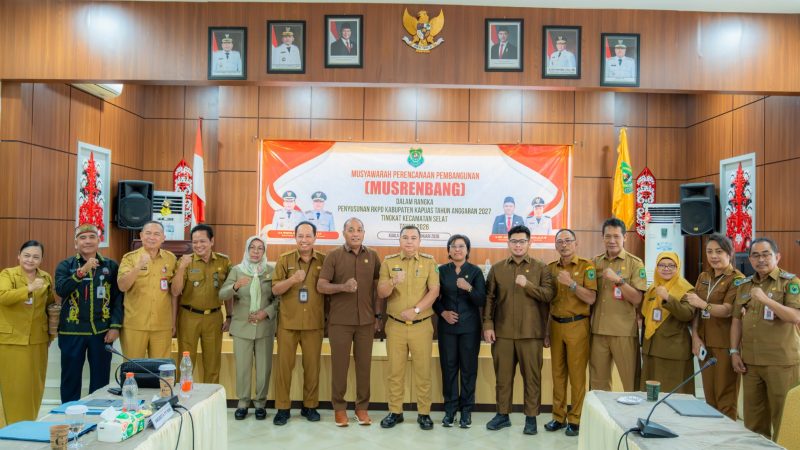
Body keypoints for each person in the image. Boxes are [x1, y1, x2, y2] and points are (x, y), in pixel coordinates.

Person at [483, 225, 554, 435]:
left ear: (529, 243)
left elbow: (548, 296)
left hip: (531, 333)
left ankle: (530, 418)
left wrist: (528, 285)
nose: (518, 245)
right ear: (508, 243)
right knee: (503, 377)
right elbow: (489, 299)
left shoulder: (542, 268)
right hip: (502, 332)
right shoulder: (497, 269)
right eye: (514, 241)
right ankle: (502, 415)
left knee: (532, 377)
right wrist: (487, 324)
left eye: (522, 241)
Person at [731, 238, 800, 440]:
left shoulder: (790, 283)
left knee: (784, 417)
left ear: (777, 256)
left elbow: (795, 316)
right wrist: (734, 351)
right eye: (755, 255)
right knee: (753, 420)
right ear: (750, 259)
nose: (761, 259)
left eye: (766, 254)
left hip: (782, 362)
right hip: (751, 363)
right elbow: (736, 320)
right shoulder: (744, 285)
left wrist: (766, 299)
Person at [317, 217, 382, 427]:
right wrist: (342, 287)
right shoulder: (333, 256)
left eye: (359, 230)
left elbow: (378, 290)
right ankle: (339, 408)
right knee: (340, 367)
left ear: (364, 233)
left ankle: (362, 408)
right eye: (351, 230)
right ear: (343, 233)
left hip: (366, 322)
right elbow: (321, 286)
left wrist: (378, 316)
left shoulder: (372, 256)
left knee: (364, 367)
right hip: (340, 322)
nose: (355, 233)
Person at [377, 225, 440, 430]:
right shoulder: (389, 262)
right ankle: (395, 412)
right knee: (395, 372)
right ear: (400, 241)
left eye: (414, 238)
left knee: (423, 372)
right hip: (395, 326)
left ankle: (424, 413)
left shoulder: (429, 262)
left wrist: (416, 309)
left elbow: (434, 291)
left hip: (421, 326)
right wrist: (394, 280)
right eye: (405, 237)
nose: (409, 241)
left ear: (419, 241)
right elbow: (381, 292)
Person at [54, 224, 123, 403]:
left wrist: (115, 326)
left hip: (101, 332)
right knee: (70, 380)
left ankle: (98, 417)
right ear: (76, 242)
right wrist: (82, 271)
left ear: (98, 241)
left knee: (101, 381)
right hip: (71, 332)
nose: (87, 241)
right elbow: (61, 290)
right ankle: (68, 420)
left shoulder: (110, 266)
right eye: (82, 237)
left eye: (92, 237)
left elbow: (118, 299)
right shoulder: (65, 265)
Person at [272, 221, 326, 425]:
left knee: (312, 368)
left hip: (314, 322)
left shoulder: (324, 260)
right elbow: (275, 290)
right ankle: (283, 408)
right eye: (300, 236)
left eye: (308, 236)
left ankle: (310, 406)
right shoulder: (285, 260)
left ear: (315, 237)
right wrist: (293, 280)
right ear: (295, 237)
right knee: (284, 367)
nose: (304, 240)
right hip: (288, 322)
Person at [543, 229, 596, 437]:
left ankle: (575, 419)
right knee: (557, 374)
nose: (563, 245)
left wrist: (572, 284)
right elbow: (550, 303)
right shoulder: (550, 269)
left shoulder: (586, 266)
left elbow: (591, 298)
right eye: (559, 242)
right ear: (556, 246)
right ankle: (558, 416)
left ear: (576, 243)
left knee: (576, 375)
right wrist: (546, 331)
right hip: (555, 325)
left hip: (578, 325)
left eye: (567, 241)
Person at [686, 234, 744, 420]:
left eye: (719, 251)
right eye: (709, 252)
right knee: (709, 398)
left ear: (730, 253)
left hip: (724, 344)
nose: (713, 256)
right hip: (704, 342)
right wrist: (695, 337)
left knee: (725, 398)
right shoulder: (704, 276)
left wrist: (703, 304)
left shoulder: (737, 279)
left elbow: (728, 310)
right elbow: (695, 311)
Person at [220, 236, 277, 421]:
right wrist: (235, 286)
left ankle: (260, 403)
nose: (256, 251)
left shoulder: (272, 270)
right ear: (247, 249)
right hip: (242, 327)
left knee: (264, 368)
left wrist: (266, 312)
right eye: (252, 247)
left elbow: (279, 299)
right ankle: (243, 403)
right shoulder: (237, 270)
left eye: (260, 248)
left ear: (264, 251)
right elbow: (221, 293)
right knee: (243, 368)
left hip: (264, 327)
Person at [433, 234, 486, 429]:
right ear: (448, 250)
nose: (457, 249)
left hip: (470, 329)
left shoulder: (475, 272)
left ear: (467, 250)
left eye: (461, 246)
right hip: (447, 328)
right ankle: (450, 410)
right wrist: (443, 313)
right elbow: (433, 299)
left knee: (468, 370)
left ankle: (466, 411)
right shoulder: (440, 271)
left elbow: (481, 300)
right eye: (453, 246)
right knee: (448, 369)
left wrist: (469, 288)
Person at [0, 240, 55, 424]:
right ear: (19, 256)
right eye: (27, 255)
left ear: (41, 260)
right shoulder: (8, 274)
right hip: (12, 340)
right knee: (13, 388)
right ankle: (9, 429)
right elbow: (3, 296)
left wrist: (51, 332)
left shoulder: (46, 278)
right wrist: (28, 289)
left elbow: (49, 305)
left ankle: (29, 424)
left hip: (38, 340)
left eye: (36, 257)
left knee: (34, 387)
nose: (31, 260)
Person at [590, 218, 647, 392]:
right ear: (602, 238)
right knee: (598, 385)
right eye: (608, 236)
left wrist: (619, 281)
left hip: (624, 332)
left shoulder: (635, 263)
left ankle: (631, 419)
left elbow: (638, 299)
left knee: (631, 383)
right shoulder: (595, 262)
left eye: (616, 236)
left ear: (625, 238)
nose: (612, 241)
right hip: (598, 331)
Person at [171, 224, 232, 383]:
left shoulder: (224, 262)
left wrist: (230, 316)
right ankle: (184, 400)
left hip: (214, 318)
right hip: (188, 317)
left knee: (212, 364)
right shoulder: (186, 262)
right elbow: (175, 292)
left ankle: (209, 403)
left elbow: (229, 293)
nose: (198, 245)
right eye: (195, 242)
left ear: (212, 241)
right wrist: (181, 268)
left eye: (202, 241)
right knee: (186, 363)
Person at [117, 221, 177, 358]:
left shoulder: (171, 258)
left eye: (157, 234)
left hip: (162, 325)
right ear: (141, 236)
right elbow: (122, 286)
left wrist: (173, 322)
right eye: (148, 233)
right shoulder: (130, 258)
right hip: (134, 324)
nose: (152, 237)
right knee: (132, 368)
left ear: (163, 238)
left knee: (161, 369)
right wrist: (138, 266)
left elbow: (173, 293)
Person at [640, 251, 696, 394]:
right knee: (651, 395)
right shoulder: (653, 288)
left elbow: (687, 314)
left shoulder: (686, 288)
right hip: (651, 349)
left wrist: (668, 298)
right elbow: (645, 315)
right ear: (656, 267)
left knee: (673, 395)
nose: (666, 268)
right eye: (662, 265)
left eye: (671, 265)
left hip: (673, 352)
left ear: (678, 268)